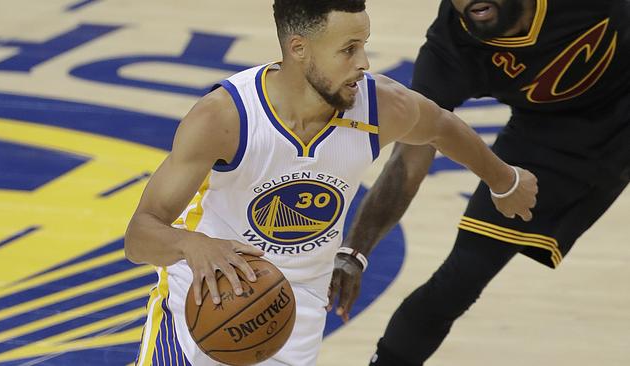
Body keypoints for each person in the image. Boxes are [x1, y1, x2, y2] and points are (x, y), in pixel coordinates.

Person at [123, 0, 538, 365]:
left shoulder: (379, 107)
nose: (364, 63)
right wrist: (190, 244)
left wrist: (504, 180)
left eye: (364, 45)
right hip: (200, 304)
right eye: (348, 50)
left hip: (295, 313)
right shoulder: (225, 118)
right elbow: (139, 236)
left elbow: (442, 127)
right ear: (299, 49)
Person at [326, 0, 630, 365]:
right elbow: (408, 158)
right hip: (547, 139)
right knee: (458, 280)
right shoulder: (452, 46)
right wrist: (354, 253)